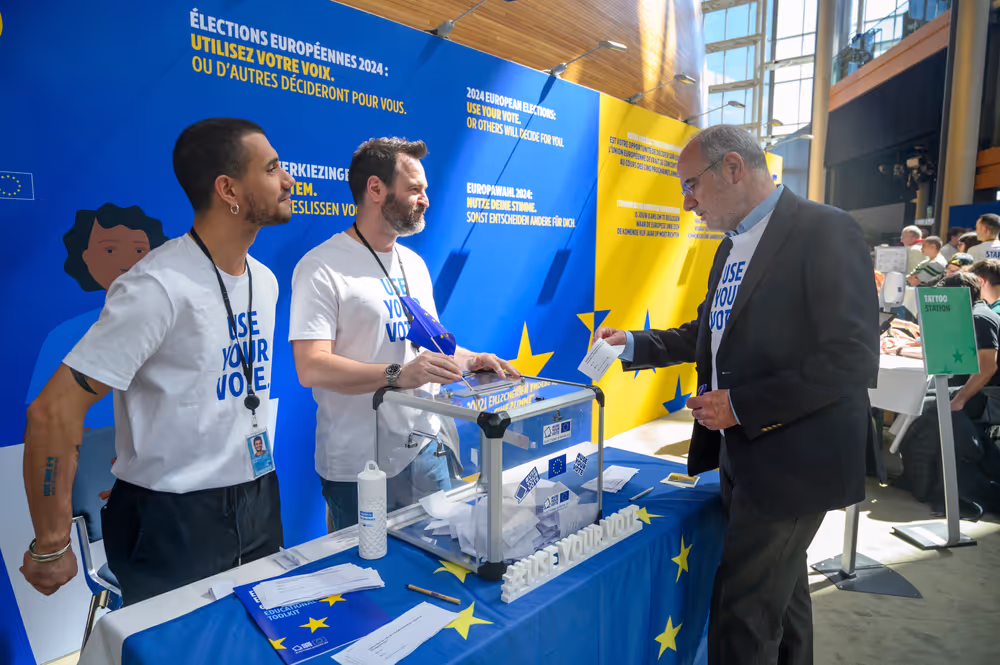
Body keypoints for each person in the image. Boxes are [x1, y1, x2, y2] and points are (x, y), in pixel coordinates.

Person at [594, 125, 878, 665]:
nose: (687, 202)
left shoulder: (825, 230)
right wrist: (629, 343)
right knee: (782, 596)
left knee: (742, 611)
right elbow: (702, 334)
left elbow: (850, 357)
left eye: (691, 186)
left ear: (732, 168)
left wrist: (742, 403)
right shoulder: (729, 249)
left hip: (796, 459)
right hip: (742, 455)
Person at [20, 118, 294, 605]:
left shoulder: (265, 281)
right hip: (171, 519)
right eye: (272, 168)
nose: (288, 180)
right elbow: (52, 411)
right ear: (228, 188)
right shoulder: (157, 287)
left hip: (256, 495)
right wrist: (50, 542)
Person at [289, 137, 519, 532]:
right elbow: (311, 367)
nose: (425, 199)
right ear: (376, 189)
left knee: (443, 561)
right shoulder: (321, 266)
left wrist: (470, 359)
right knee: (372, 578)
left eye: (424, 190)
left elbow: (427, 345)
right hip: (359, 465)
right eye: (414, 189)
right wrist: (398, 374)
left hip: (426, 450)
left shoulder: (413, 263)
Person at [25, 204, 170, 430]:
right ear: (85, 257)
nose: (127, 262)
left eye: (140, 250)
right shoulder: (63, 336)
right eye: (110, 250)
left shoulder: (174, 319)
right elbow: (42, 418)